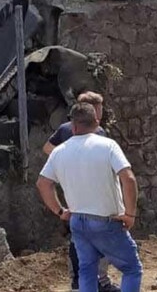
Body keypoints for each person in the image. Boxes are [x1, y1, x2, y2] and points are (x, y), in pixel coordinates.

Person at [37, 103, 143, 292]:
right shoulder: (108, 145)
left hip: (77, 221)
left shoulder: (59, 151)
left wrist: (60, 211)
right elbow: (128, 178)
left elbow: (43, 183)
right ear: (96, 122)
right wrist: (130, 214)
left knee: (86, 271)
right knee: (132, 269)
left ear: (73, 126)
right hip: (105, 221)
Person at [43, 91, 117, 292]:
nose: (101, 113)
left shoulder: (64, 129)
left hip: (72, 191)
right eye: (99, 109)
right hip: (94, 194)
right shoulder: (98, 133)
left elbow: (48, 148)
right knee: (98, 238)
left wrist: (64, 162)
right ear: (91, 110)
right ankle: (99, 282)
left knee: (77, 237)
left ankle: (79, 283)